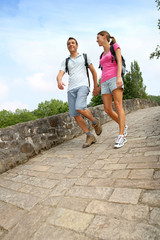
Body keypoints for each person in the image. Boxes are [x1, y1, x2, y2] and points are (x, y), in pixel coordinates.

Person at [57, 37, 102, 148]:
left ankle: (95, 121)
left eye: (73, 43)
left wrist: (96, 86)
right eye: (68, 43)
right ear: (67, 47)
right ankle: (89, 135)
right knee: (76, 115)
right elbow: (60, 74)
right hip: (71, 89)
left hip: (83, 86)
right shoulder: (66, 61)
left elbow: (94, 72)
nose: (71, 45)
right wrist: (59, 81)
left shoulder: (84, 57)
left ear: (77, 45)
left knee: (79, 107)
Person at [96, 31, 128, 148]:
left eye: (98, 37)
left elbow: (119, 61)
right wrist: (99, 86)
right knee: (108, 109)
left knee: (118, 105)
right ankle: (123, 125)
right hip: (104, 82)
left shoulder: (115, 46)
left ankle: (121, 135)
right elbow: (103, 70)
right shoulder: (101, 55)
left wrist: (119, 77)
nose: (96, 40)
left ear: (104, 36)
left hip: (115, 78)